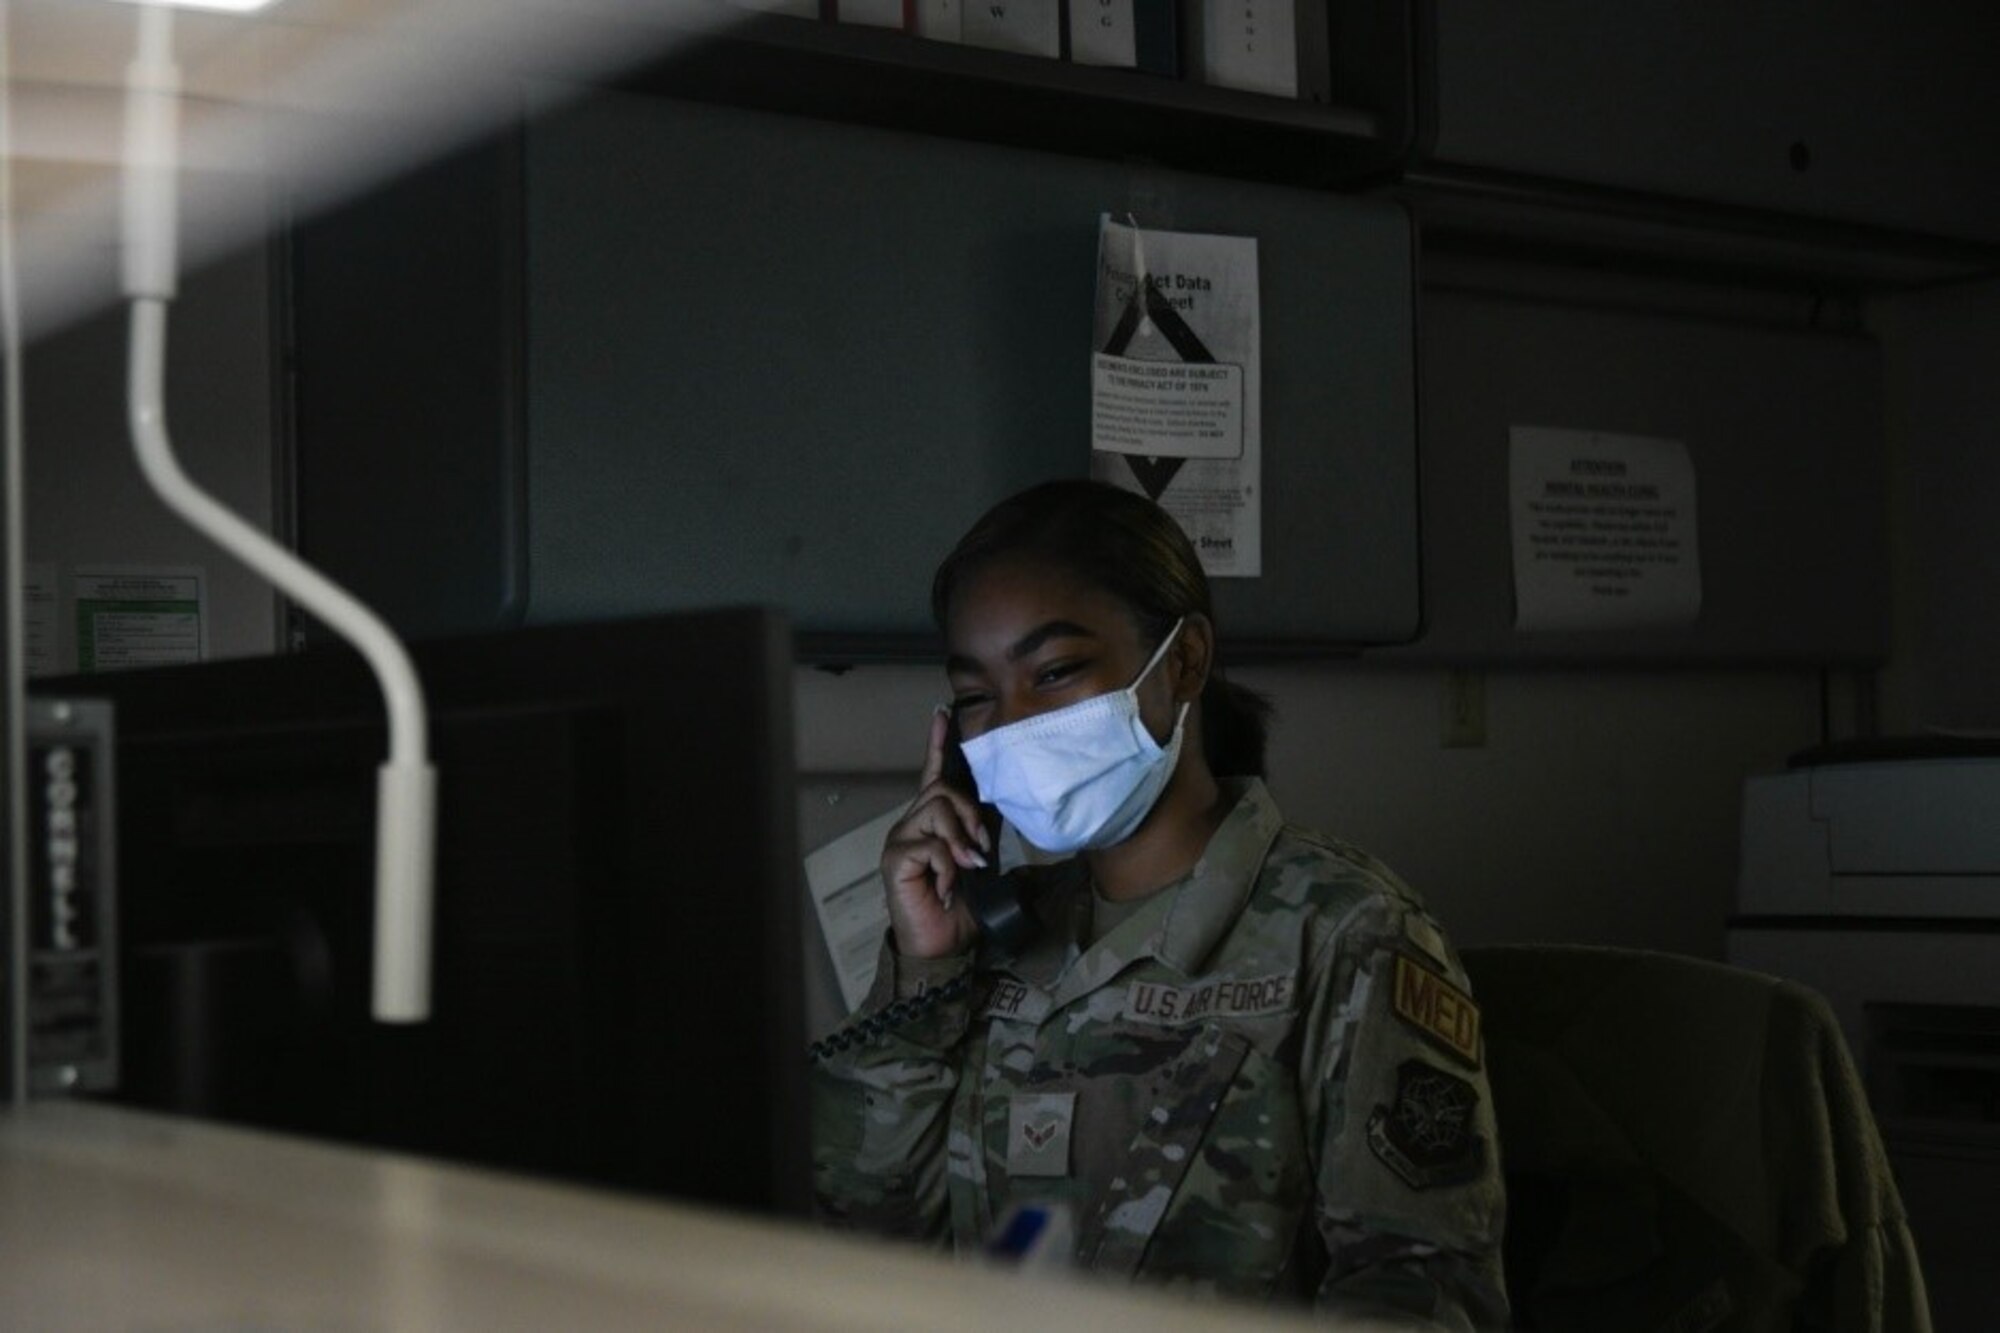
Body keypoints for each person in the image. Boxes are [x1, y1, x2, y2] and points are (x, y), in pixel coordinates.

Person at [809, 480, 1508, 1330]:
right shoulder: (987, 934)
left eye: (1056, 672)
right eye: (977, 696)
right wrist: (924, 968)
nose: (1012, 725)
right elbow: (864, 1243)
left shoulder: (1348, 933)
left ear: (1183, 662)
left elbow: (1424, 1295)